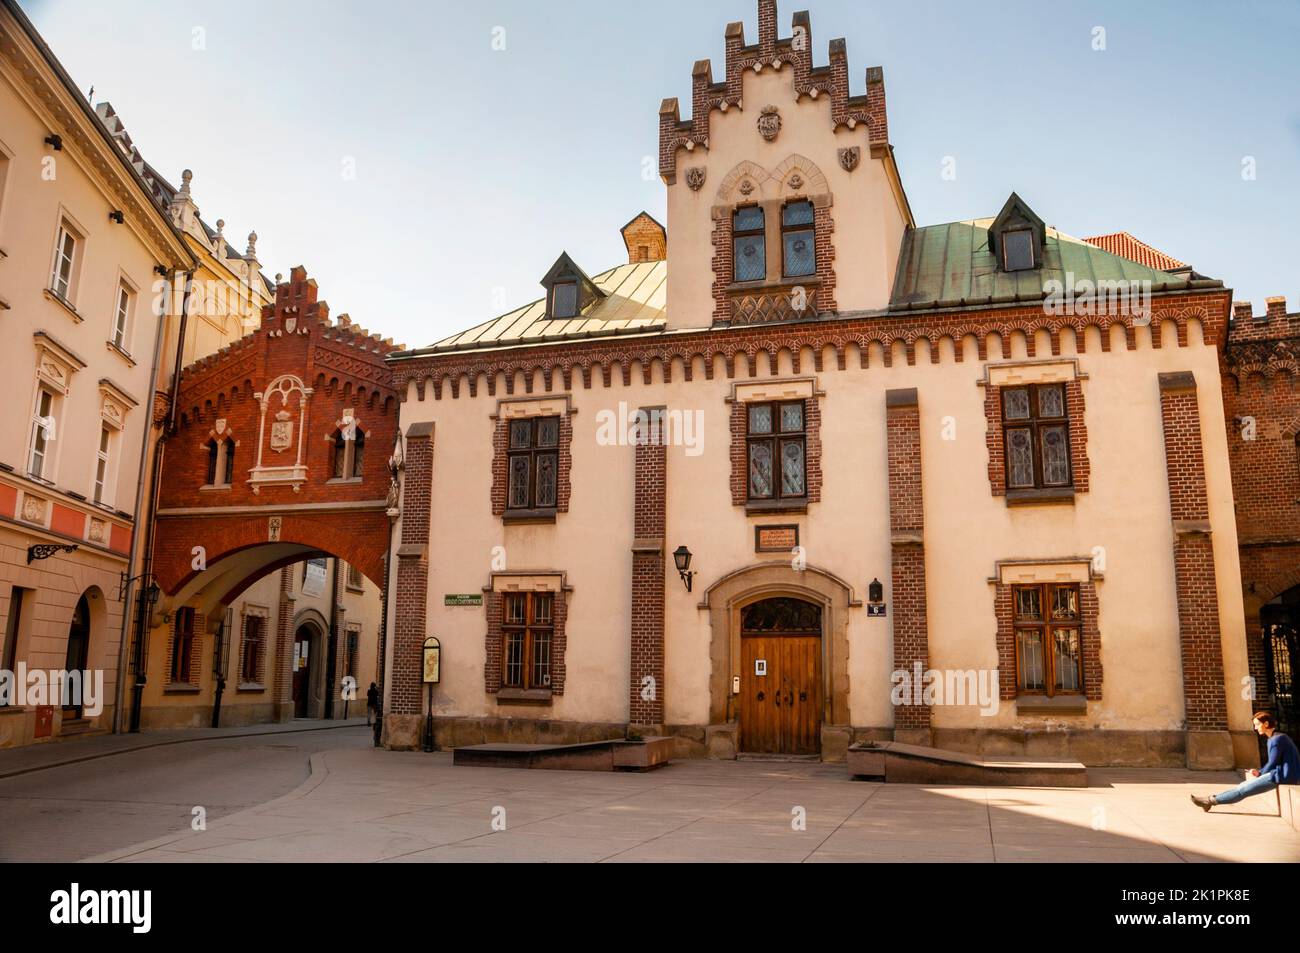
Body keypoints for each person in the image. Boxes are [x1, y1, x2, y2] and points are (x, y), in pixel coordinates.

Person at [1191, 711, 1300, 811]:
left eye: (1257, 725)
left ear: (1266, 724)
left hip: (1283, 776)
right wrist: (1260, 772)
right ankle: (1210, 800)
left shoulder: (1277, 739)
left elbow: (1273, 762)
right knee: (1243, 786)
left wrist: (1260, 773)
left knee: (1243, 790)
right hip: (1279, 774)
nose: (1256, 728)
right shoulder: (1276, 738)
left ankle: (1209, 801)